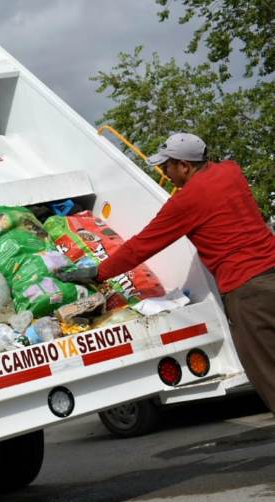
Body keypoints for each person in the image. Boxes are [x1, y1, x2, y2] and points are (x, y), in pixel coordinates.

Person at [95, 132, 275, 415]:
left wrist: (99, 272)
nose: (164, 172)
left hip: (248, 290)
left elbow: (140, 247)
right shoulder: (231, 172)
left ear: (184, 165)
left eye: (166, 165)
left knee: (267, 370)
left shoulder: (187, 201)